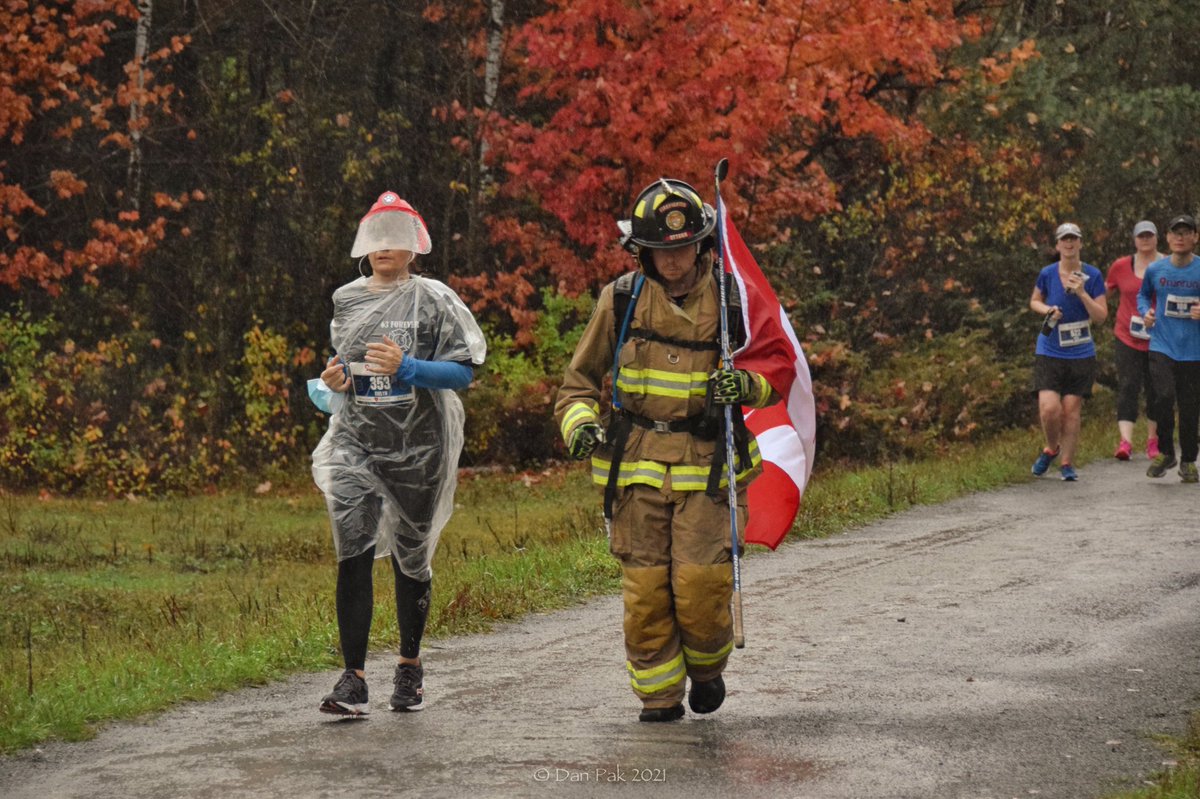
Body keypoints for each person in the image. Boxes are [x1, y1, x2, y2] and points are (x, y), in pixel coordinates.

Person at [555, 178, 778, 722]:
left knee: (701, 588)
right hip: (635, 473)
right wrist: (580, 425)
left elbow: (775, 369)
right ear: (642, 252)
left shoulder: (732, 299)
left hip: (707, 471)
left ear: (701, 244)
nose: (673, 260)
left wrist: (745, 386)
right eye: (660, 250)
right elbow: (577, 384)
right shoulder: (622, 299)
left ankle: (705, 670)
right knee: (646, 595)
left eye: (682, 247)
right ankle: (658, 697)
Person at [309, 191, 486, 716]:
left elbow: (464, 370)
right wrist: (333, 381)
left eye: (396, 237)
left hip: (419, 447)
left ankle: (409, 669)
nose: (386, 247)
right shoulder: (347, 299)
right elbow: (343, 367)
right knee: (353, 554)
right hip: (356, 444)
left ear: (415, 246)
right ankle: (353, 678)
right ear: (364, 245)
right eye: (377, 237)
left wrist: (410, 368)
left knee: (412, 558)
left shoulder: (434, 299)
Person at [1028, 222, 1108, 481]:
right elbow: (1034, 302)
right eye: (1065, 239)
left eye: (1074, 239)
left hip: (1080, 351)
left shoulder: (1093, 275)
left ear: (1081, 243)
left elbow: (1101, 317)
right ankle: (1051, 448)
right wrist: (1048, 310)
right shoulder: (1048, 273)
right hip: (1050, 347)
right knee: (1049, 408)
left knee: (1071, 409)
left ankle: (1067, 464)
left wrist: (1083, 294)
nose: (1069, 243)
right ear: (1058, 245)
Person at [1137, 214, 1200, 483]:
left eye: (1186, 232)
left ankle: (1187, 460)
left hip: (1193, 350)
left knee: (1189, 407)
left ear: (1195, 237)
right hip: (1162, 345)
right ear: (1168, 237)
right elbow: (1142, 296)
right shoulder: (1156, 270)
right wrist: (1146, 313)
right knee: (1162, 397)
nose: (1180, 237)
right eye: (1176, 232)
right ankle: (1165, 452)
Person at [1105, 220, 1163, 460]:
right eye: (1141, 236)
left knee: (1156, 390)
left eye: (1149, 235)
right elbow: (1105, 293)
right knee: (1128, 386)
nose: (1145, 239)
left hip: (1160, 337)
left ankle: (1153, 441)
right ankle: (1125, 442)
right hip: (1127, 335)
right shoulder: (1121, 266)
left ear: (1157, 238)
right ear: (1134, 239)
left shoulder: (1168, 264)